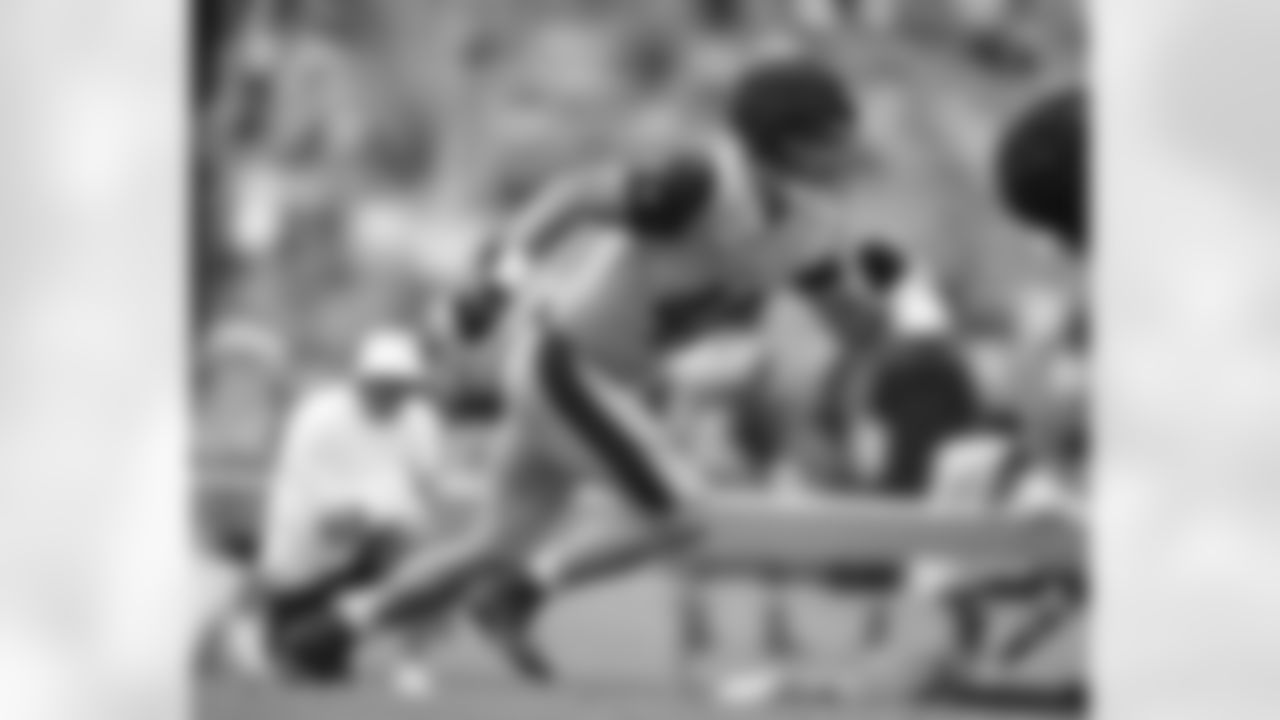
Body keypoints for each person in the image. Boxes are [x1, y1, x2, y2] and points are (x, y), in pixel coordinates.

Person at [280, 56, 891, 680]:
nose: (856, 148)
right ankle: (520, 594)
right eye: (841, 133)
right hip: (566, 364)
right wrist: (497, 284)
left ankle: (329, 631)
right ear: (795, 140)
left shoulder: (814, 224)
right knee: (683, 517)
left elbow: (854, 321)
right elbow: (573, 198)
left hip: (593, 377)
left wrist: (871, 304)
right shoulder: (702, 181)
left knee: (495, 542)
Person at [245, 328, 462, 689]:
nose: (390, 393)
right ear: (359, 379)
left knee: (436, 565)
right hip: (305, 567)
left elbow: (432, 488)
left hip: (369, 555)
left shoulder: (419, 420)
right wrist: (396, 525)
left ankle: (412, 664)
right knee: (314, 669)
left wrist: (442, 559)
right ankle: (273, 632)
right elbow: (329, 521)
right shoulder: (318, 419)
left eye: (400, 385)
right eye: (381, 383)